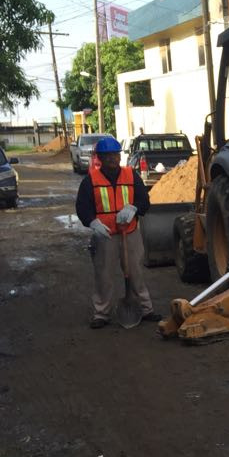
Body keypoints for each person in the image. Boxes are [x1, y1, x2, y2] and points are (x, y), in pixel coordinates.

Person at [74, 137, 159, 328]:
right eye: (108, 156)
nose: (113, 159)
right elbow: (82, 206)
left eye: (115, 155)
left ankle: (145, 309)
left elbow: (144, 200)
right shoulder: (91, 181)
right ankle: (101, 313)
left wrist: (134, 208)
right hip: (105, 237)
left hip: (129, 233)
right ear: (100, 158)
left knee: (136, 272)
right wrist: (92, 222)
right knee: (103, 275)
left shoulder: (131, 175)